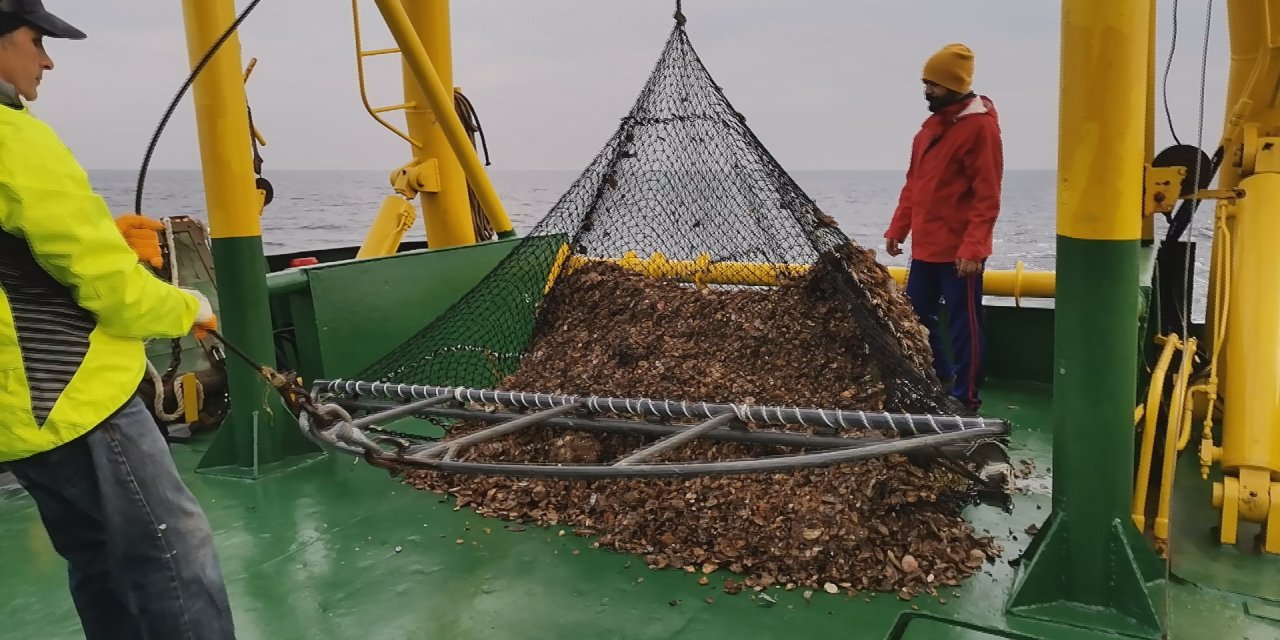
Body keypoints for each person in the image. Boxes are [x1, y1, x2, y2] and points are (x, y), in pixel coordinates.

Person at [0, 3, 236, 638]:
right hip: (75, 399)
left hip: (18, 415)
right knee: (175, 555)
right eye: (34, 40)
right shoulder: (15, 138)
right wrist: (192, 308)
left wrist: (102, 233)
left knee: (96, 558)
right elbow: (114, 292)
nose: (46, 59)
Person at [883, 43, 1003, 414]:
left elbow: (987, 195)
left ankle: (966, 398)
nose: (927, 91)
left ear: (954, 85)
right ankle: (943, 375)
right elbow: (913, 185)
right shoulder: (928, 130)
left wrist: (973, 249)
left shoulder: (980, 129)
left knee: (964, 326)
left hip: (958, 254)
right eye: (925, 83)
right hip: (926, 248)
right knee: (914, 315)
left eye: (933, 84)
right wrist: (898, 228)